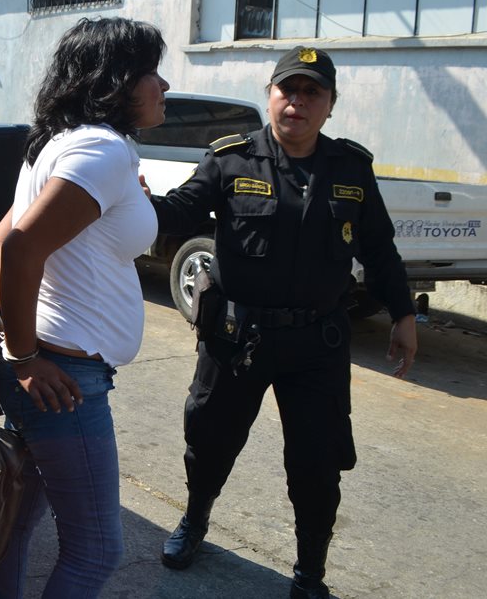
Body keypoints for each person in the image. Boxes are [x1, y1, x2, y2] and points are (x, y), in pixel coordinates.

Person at [151, 46, 418, 599]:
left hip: (315, 343)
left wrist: (404, 313)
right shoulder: (230, 159)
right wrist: (132, 201)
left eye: (310, 92)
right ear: (270, 95)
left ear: (329, 104)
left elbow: (380, 249)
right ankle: (194, 521)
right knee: (210, 440)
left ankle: (309, 571)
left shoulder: (350, 169)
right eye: (286, 89)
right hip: (236, 339)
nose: (296, 101)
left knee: (318, 462)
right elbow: (179, 209)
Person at [0, 17, 170, 598]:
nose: (163, 85)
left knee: (13, 521)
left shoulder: (61, 144)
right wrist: (24, 356)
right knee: (98, 548)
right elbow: (23, 245)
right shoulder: (100, 150)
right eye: (150, 71)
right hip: (61, 376)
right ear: (116, 80)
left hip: (47, 368)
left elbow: (7, 234)